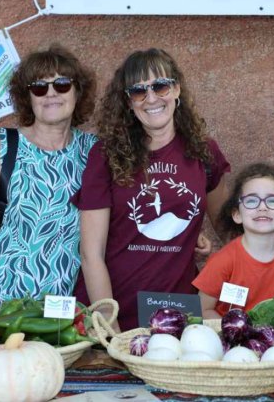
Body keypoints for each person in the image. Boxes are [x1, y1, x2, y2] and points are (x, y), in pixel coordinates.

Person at [73, 48, 230, 331]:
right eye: (138, 91)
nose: (152, 98)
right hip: (114, 308)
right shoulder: (106, 154)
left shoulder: (203, 151)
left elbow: (230, 231)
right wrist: (109, 322)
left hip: (175, 314)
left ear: (176, 89)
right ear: (128, 102)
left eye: (160, 86)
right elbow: (90, 254)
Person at [0, 45, 98, 304]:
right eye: (39, 87)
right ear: (28, 97)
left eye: (62, 84)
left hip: (63, 310)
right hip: (0, 305)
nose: (51, 93)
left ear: (77, 91)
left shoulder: (92, 152)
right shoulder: (2, 145)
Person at [193, 163, 274, 319]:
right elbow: (202, 310)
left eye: (273, 201)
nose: (262, 207)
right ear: (237, 214)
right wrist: (234, 329)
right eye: (251, 201)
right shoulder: (222, 261)